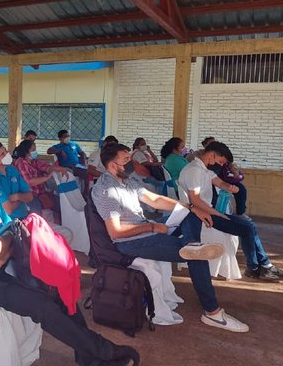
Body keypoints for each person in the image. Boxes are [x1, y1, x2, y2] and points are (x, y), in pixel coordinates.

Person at [0, 150, 139, 366]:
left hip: (5, 267)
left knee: (59, 294)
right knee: (43, 307)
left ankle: (90, 357)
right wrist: (5, 243)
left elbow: (12, 236)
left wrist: (4, 249)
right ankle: (107, 352)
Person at [91, 142, 250, 333]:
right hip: (131, 242)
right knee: (197, 256)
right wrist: (151, 226)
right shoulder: (105, 190)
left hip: (146, 229)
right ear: (112, 165)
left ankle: (192, 244)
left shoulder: (128, 180)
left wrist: (191, 207)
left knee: (190, 213)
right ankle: (213, 313)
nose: (132, 162)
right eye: (126, 160)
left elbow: (155, 200)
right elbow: (115, 232)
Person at [178, 141, 283, 281]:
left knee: (248, 225)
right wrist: (218, 214)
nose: (221, 165)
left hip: (208, 212)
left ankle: (261, 266)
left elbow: (220, 182)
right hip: (201, 216)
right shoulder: (194, 171)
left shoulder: (203, 169)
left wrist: (232, 188)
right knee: (246, 228)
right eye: (221, 161)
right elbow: (195, 200)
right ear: (212, 154)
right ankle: (258, 267)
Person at [13, 139, 68, 218]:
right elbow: (29, 182)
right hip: (30, 194)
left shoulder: (34, 161)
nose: (35, 151)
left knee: (61, 205)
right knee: (36, 213)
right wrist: (46, 177)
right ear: (26, 151)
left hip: (42, 193)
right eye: (33, 150)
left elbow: (47, 168)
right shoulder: (21, 162)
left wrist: (59, 169)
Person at [0, 140, 33, 220]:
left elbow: (30, 196)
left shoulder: (12, 170)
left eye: (6, 151)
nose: (7, 155)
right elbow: (8, 210)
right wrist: (21, 199)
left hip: (25, 217)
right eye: (2, 154)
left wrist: (17, 196)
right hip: (8, 224)